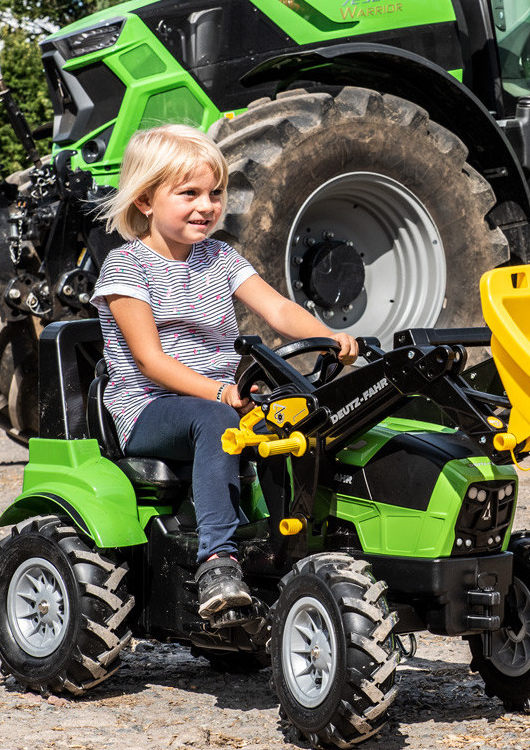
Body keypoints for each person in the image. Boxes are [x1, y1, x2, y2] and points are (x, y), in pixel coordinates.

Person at [91, 124, 358, 620]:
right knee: (215, 421)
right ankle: (217, 561)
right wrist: (219, 393)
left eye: (215, 193)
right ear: (145, 200)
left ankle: (300, 543)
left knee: (309, 415)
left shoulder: (219, 257)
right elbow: (150, 361)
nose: (206, 206)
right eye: (189, 193)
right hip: (149, 408)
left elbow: (278, 310)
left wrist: (330, 335)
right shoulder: (127, 268)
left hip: (222, 398)